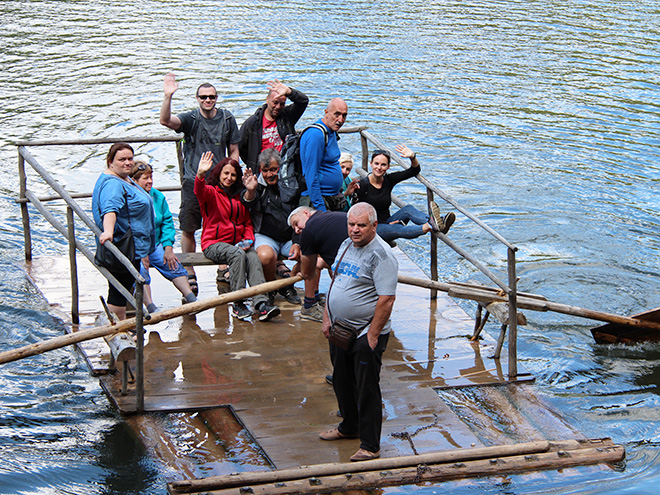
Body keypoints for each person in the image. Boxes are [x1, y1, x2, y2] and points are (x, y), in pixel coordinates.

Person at [319, 202, 398, 462]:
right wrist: (327, 315)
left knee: (366, 388)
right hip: (340, 329)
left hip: (366, 333)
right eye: (351, 224)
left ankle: (370, 445)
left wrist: (373, 336)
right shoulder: (345, 245)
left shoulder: (382, 256)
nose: (355, 230)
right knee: (341, 381)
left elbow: (386, 299)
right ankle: (348, 427)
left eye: (361, 225)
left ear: (374, 226)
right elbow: (335, 281)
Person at [159, 73, 241, 295]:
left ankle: (223, 266)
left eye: (211, 97)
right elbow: (166, 121)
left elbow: (233, 149)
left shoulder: (226, 119)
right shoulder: (191, 119)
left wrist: (233, 171)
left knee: (221, 223)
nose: (207, 100)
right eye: (203, 97)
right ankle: (189, 269)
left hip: (220, 182)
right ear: (197, 98)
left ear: (216, 98)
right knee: (189, 225)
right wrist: (168, 97)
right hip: (193, 180)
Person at [194, 151, 280, 321]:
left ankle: (261, 303)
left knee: (253, 257)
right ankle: (237, 302)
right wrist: (200, 174)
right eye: (226, 173)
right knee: (237, 254)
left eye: (233, 175)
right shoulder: (211, 193)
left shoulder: (239, 198)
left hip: (239, 243)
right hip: (214, 243)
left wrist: (248, 240)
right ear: (219, 173)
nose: (229, 178)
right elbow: (199, 190)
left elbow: (247, 223)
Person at [92, 143, 156, 320]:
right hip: (124, 246)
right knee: (119, 292)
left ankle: (122, 327)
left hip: (133, 246)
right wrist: (108, 231)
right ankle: (120, 330)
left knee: (123, 287)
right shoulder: (113, 184)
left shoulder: (123, 178)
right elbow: (110, 209)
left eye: (130, 158)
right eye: (122, 159)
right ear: (110, 161)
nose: (127, 163)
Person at [352, 145, 456, 243]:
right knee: (398, 229)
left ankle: (435, 222)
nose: (379, 167)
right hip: (370, 228)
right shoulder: (362, 184)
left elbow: (414, 170)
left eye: (383, 165)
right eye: (376, 164)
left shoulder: (389, 180)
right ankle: (429, 226)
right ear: (371, 164)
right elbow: (353, 210)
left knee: (408, 209)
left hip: (387, 222)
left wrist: (412, 157)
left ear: (388, 167)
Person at [129, 161, 198, 306]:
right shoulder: (130, 198)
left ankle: (190, 297)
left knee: (172, 263)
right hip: (136, 246)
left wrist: (168, 247)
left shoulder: (157, 196)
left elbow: (167, 222)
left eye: (150, 177)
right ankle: (150, 306)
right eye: (145, 178)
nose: (149, 181)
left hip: (155, 244)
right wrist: (142, 252)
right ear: (134, 180)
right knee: (141, 269)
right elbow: (133, 227)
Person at [241, 149, 301, 305]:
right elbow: (247, 201)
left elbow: (300, 213)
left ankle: (288, 285)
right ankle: (270, 287)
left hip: (290, 236)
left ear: (280, 168)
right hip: (266, 236)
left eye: (273, 169)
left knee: (309, 255)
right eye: (265, 170)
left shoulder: (290, 184)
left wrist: (297, 241)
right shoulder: (257, 186)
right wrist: (250, 190)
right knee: (266, 256)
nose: (269, 175)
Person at [288, 206, 349, 322]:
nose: (296, 230)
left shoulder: (309, 230)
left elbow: (307, 271)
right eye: (294, 228)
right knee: (317, 263)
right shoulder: (331, 215)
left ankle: (309, 306)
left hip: (351, 270)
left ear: (306, 213)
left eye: (296, 223)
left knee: (312, 264)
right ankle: (315, 298)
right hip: (358, 258)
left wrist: (300, 271)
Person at [239, 79, 309, 174]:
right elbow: (241, 146)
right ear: (267, 99)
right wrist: (253, 163)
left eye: (282, 104)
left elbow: (303, 101)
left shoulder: (287, 117)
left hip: (285, 172)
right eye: (275, 102)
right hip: (262, 173)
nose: (278, 107)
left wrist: (289, 92)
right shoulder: (252, 123)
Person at [299, 98, 348, 212]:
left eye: (344, 115)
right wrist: (320, 209)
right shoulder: (316, 135)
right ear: (326, 112)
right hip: (317, 200)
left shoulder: (331, 131)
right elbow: (311, 174)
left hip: (331, 198)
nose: (340, 120)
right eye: (337, 114)